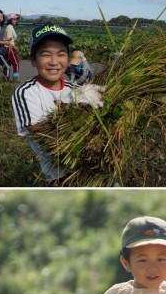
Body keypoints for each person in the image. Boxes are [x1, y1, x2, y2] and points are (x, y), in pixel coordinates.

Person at [11, 22, 105, 186]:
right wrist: (76, 108)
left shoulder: (76, 89)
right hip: (60, 176)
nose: (54, 61)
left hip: (92, 168)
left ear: (68, 59)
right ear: (33, 59)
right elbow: (43, 137)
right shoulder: (26, 93)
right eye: (46, 54)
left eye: (61, 54)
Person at [4, 13, 21, 83]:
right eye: (14, 19)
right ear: (10, 20)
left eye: (16, 19)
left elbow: (12, 38)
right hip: (9, 48)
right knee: (16, 63)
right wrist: (14, 46)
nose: (16, 21)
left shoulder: (10, 27)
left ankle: (6, 78)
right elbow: (9, 39)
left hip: (8, 47)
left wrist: (18, 36)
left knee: (8, 64)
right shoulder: (9, 27)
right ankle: (15, 78)